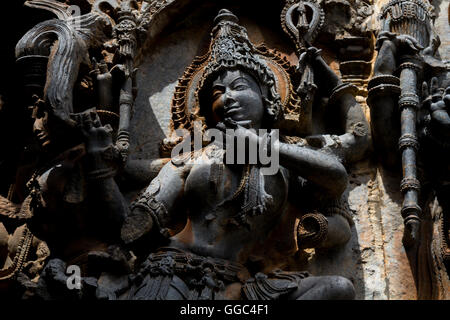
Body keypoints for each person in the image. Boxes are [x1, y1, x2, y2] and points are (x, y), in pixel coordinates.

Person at [120, 9, 355, 300]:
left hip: (240, 283)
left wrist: (261, 146)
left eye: (239, 87)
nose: (227, 98)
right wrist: (103, 169)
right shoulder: (195, 156)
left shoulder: (287, 155)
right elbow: (135, 226)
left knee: (337, 289)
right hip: (175, 272)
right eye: (218, 93)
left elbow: (336, 176)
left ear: (267, 98)